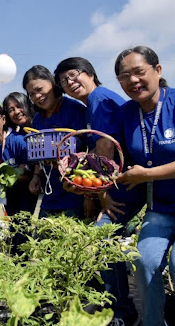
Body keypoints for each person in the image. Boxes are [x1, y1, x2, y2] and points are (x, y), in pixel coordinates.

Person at [54, 57, 144, 325]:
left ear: (90, 73)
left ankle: (122, 312)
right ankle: (116, 305)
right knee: (108, 240)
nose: (70, 83)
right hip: (124, 180)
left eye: (74, 75)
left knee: (101, 238)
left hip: (127, 182)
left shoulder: (99, 99)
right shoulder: (95, 101)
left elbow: (105, 149)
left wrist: (101, 194)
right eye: (63, 81)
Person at [114, 46, 175, 326]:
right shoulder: (125, 114)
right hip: (161, 204)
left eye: (139, 72)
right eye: (124, 76)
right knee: (143, 261)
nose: (132, 80)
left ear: (158, 71)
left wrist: (148, 174)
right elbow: (114, 159)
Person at [22, 65, 86, 218]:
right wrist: (36, 176)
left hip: (75, 192)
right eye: (32, 94)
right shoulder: (37, 120)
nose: (37, 96)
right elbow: (39, 152)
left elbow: (90, 149)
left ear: (52, 83)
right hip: (51, 192)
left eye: (39, 89)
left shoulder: (75, 110)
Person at [2, 92, 38, 214]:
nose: (16, 112)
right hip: (21, 187)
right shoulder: (16, 134)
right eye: (11, 109)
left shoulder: (40, 124)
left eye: (19, 106)